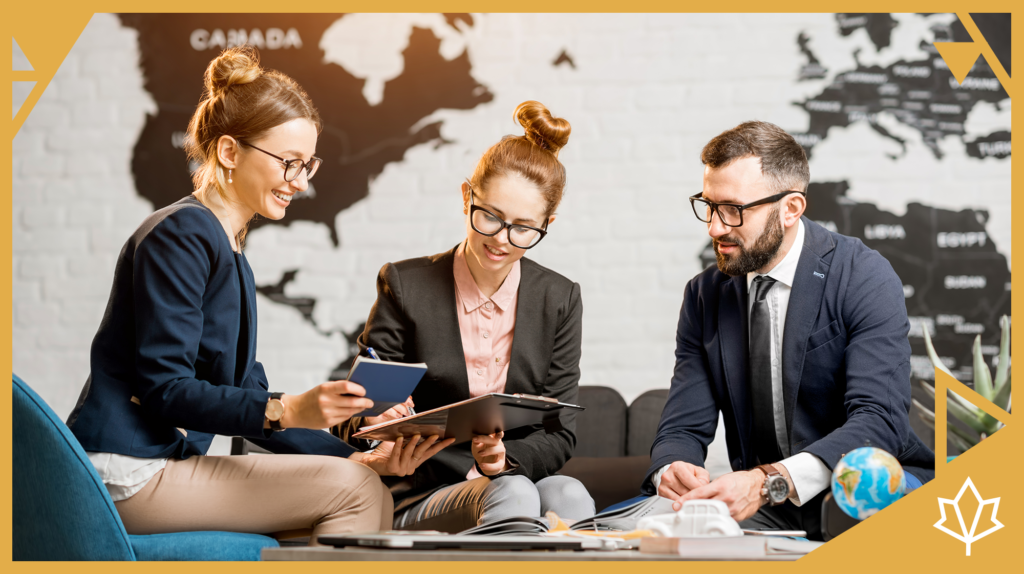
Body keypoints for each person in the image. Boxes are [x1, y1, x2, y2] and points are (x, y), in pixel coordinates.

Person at [66, 47, 453, 545]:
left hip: (159, 461)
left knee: (368, 484)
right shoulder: (181, 235)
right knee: (356, 492)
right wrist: (289, 409)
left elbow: (247, 389)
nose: (300, 183)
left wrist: (356, 454)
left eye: (307, 165)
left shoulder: (228, 248)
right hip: (128, 467)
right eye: (288, 163)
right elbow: (166, 388)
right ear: (229, 152)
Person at [643, 121, 934, 539]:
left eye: (733, 210)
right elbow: (683, 427)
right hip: (769, 510)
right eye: (708, 205)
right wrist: (672, 469)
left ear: (791, 208)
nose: (714, 228)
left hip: (865, 495)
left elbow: (879, 420)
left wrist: (768, 482)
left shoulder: (863, 275)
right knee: (648, 532)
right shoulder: (704, 295)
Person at [345, 101, 596, 532]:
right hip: (424, 486)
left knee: (568, 492)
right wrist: (376, 416)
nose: (501, 240)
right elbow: (360, 407)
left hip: (511, 478)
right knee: (514, 493)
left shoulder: (558, 298)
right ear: (467, 198)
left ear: (547, 224)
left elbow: (559, 430)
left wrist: (505, 461)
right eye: (490, 217)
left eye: (523, 228)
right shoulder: (407, 286)